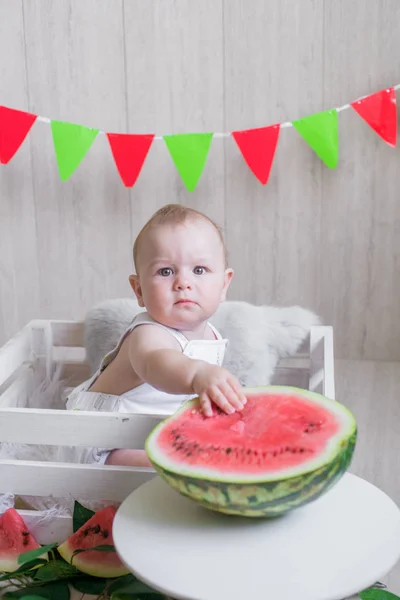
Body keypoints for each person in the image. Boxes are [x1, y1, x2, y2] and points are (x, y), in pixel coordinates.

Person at [57, 204, 246, 468]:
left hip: (155, 432)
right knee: (169, 467)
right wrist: (197, 375)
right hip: (103, 443)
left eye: (199, 270)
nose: (183, 282)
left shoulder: (213, 335)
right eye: (165, 271)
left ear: (224, 284)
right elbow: (158, 363)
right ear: (139, 290)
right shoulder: (147, 336)